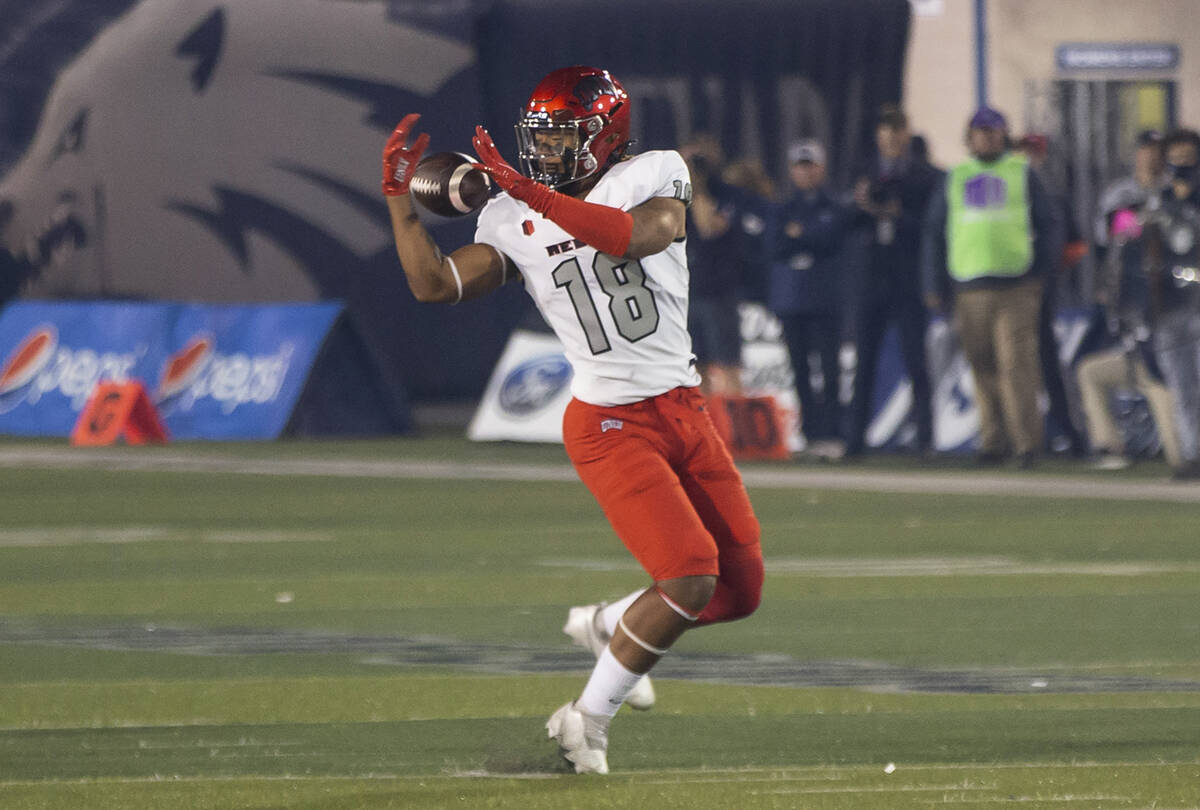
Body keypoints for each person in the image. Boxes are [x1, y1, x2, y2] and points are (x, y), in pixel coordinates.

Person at [381, 66, 763, 774]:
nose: (548, 151)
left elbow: (633, 237)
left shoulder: (654, 172)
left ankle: (610, 624)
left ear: (605, 136)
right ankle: (585, 721)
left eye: (564, 137)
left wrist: (532, 192)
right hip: (609, 423)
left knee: (740, 592)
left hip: (682, 408)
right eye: (542, 138)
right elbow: (434, 285)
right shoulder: (509, 216)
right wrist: (401, 200)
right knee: (688, 574)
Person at [922, 106, 1063, 468]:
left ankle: (1026, 444)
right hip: (969, 286)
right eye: (980, 132)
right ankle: (992, 441)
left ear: (1003, 135)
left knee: (1016, 364)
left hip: (1015, 285)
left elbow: (1048, 225)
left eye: (993, 131)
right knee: (982, 367)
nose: (986, 137)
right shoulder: (956, 177)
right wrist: (933, 282)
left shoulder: (1020, 172)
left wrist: (1040, 273)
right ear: (969, 137)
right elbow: (935, 234)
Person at [1076, 131, 1179, 471]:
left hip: (1168, 306)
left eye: (1156, 150)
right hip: (1132, 308)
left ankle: (1183, 455)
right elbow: (1113, 237)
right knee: (1091, 370)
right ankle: (1109, 447)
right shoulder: (1121, 193)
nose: (1150, 157)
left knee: (1159, 374)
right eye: (1145, 150)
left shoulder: (1176, 191)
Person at [846, 105, 942, 458]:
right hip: (872, 276)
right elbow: (848, 222)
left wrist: (900, 215)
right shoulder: (865, 173)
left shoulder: (926, 176)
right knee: (864, 362)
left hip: (908, 276)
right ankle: (855, 440)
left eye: (896, 133)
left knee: (916, 360)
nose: (890, 140)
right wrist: (861, 206)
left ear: (905, 135)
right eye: (885, 134)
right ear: (878, 137)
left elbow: (933, 227)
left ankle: (926, 439)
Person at [767, 139, 851, 452]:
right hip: (792, 300)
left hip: (825, 297)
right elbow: (775, 246)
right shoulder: (784, 208)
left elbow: (831, 240)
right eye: (800, 167)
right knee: (800, 369)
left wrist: (802, 235)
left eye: (810, 166)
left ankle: (832, 432)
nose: (806, 172)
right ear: (792, 171)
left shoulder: (834, 205)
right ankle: (811, 433)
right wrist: (810, 237)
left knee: (829, 368)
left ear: (821, 168)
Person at [1014, 133, 1087, 457]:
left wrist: (1052, 271)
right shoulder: (1011, 190)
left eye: (1033, 153)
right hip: (1011, 287)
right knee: (1019, 364)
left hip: (1040, 288)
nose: (1028, 159)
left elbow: (1074, 242)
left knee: (1046, 362)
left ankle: (1070, 435)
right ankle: (1029, 436)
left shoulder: (1052, 192)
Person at [1141, 127, 1200, 479]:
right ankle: (1192, 455)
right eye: (1175, 159)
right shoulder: (1159, 200)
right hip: (1169, 305)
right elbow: (1144, 246)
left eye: (1188, 159)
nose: (1181, 166)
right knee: (1180, 386)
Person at [679, 134, 744, 396]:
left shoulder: (726, 194)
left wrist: (700, 187)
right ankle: (705, 431)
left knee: (728, 365)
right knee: (696, 366)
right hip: (688, 290)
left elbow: (709, 228)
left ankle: (737, 434)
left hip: (719, 293)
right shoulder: (676, 195)